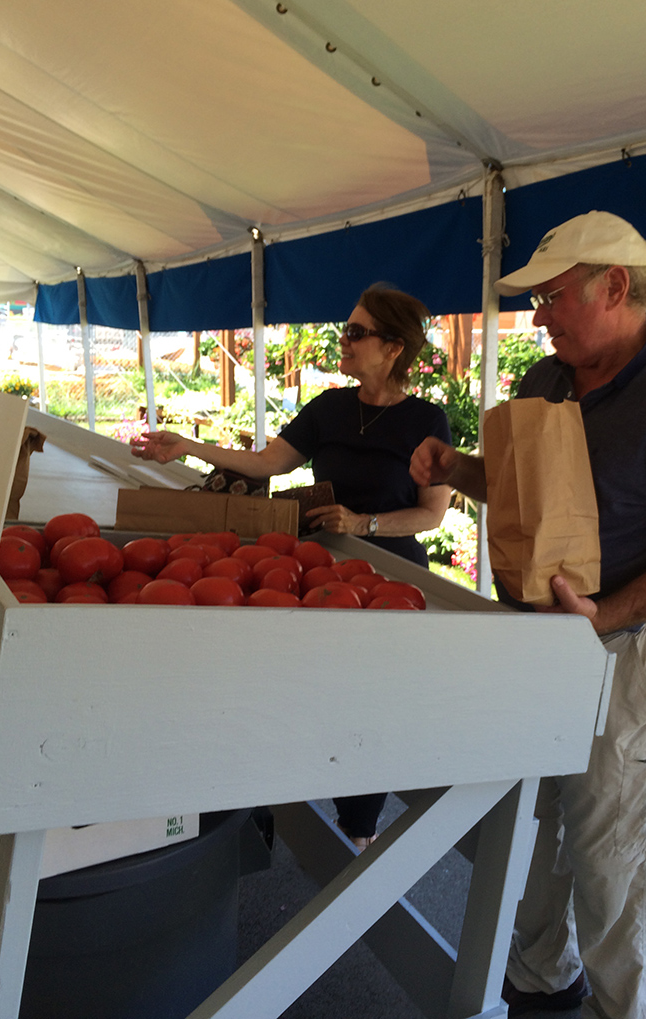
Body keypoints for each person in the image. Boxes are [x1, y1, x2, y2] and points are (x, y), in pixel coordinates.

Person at [410, 211, 646, 1019]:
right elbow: (521, 489)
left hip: (619, 647)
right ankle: (541, 979)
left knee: (608, 845)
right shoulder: (547, 381)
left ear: (614, 288)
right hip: (538, 641)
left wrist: (603, 615)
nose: (539, 316)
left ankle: (624, 1008)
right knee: (537, 817)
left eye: (552, 297)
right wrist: (460, 469)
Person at [132, 284, 452, 850]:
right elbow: (263, 464)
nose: (343, 341)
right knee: (307, 690)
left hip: (391, 585)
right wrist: (188, 446)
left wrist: (365, 524)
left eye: (357, 333)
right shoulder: (329, 407)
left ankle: (359, 829)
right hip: (320, 575)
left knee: (369, 703)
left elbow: (432, 515)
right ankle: (280, 799)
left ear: (393, 348)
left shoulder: (427, 420)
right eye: (345, 329)